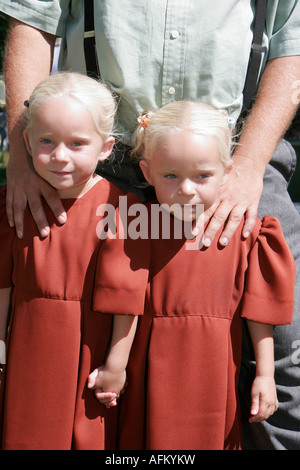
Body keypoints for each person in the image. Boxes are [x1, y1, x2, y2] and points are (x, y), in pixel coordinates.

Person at [0, 0, 300, 449]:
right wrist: (24, 160)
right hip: (99, 161)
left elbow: (290, 48)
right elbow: (33, 23)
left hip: (231, 159)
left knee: (286, 351)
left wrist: (249, 163)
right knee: (73, 341)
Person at [87, 101, 296, 450]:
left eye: (202, 176)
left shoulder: (246, 232)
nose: (186, 190)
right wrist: (116, 365)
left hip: (213, 372)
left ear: (226, 172)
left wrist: (265, 375)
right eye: (171, 176)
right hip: (150, 371)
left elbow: (258, 310)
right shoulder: (137, 228)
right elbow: (127, 303)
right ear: (147, 172)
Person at [0, 71, 125, 450]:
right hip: (27, 346)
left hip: (90, 349)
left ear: (105, 147)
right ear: (26, 141)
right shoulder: (13, 202)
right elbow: (2, 283)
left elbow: (127, 299)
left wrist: (116, 364)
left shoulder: (121, 209)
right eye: (46, 141)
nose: (59, 156)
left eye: (76, 143)